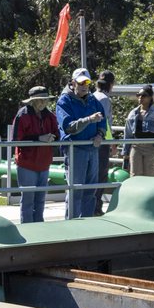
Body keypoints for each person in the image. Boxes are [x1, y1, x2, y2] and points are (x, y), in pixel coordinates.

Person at [56, 68, 105, 218]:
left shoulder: (93, 100)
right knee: (75, 191)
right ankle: (71, 225)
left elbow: (103, 122)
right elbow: (69, 128)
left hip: (92, 149)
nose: (84, 85)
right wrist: (89, 119)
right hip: (75, 150)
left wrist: (100, 135)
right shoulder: (64, 101)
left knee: (91, 191)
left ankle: (87, 224)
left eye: (87, 82)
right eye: (80, 82)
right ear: (73, 83)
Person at [11, 86, 59, 223]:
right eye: (40, 100)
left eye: (45, 100)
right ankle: (27, 228)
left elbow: (57, 134)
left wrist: (52, 138)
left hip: (44, 164)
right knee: (28, 200)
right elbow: (16, 140)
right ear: (32, 101)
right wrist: (38, 138)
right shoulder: (22, 115)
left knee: (41, 200)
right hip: (27, 164)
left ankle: (39, 227)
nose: (43, 103)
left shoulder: (50, 116)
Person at [123, 85, 154, 177]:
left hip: (150, 146)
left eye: (144, 95)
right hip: (135, 146)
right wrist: (125, 151)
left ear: (150, 97)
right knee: (134, 174)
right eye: (138, 95)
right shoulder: (133, 113)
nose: (140, 97)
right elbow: (128, 132)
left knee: (149, 174)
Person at [94, 71, 116, 215]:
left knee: (92, 174)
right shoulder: (105, 99)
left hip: (91, 140)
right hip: (102, 141)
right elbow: (106, 122)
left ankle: (91, 205)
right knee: (101, 174)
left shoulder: (92, 96)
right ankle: (96, 207)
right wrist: (112, 142)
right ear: (111, 84)